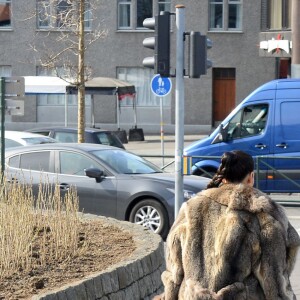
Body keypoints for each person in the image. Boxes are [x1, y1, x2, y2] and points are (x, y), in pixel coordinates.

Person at [155, 150, 300, 300]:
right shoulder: (264, 214)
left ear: (223, 178)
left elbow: (175, 272)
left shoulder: (191, 208)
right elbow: (273, 284)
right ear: (251, 177)